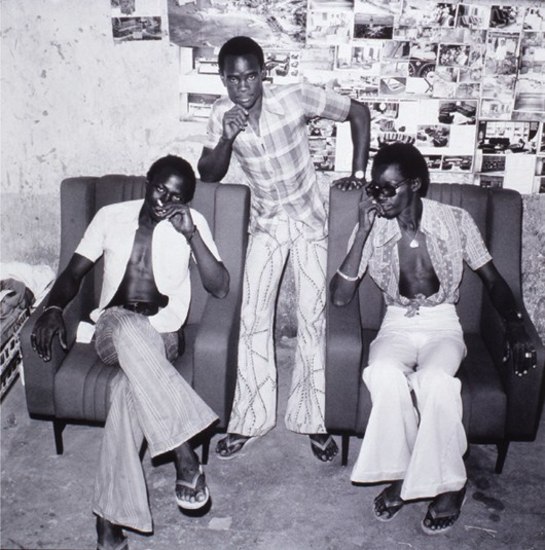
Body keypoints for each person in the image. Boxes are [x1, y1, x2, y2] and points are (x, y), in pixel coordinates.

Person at [330, 142, 536, 535]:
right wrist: (362, 233)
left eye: (388, 189)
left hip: (443, 323)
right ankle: (402, 473)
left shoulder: (454, 220)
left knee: (436, 382)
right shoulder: (372, 225)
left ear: (415, 185)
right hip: (397, 322)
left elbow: (493, 280)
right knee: (383, 372)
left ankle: (448, 484)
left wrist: (515, 325)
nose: (379, 197)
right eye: (375, 188)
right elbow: (340, 297)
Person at [30, 155, 229, 550]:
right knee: (123, 322)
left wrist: (192, 236)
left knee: (126, 392)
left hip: (163, 338)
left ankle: (109, 523)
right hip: (111, 330)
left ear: (186, 200)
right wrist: (53, 308)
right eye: (159, 189)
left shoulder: (191, 224)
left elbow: (220, 286)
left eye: (175, 196)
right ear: (146, 181)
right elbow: (73, 273)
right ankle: (184, 451)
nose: (164, 200)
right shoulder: (110, 216)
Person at [198, 36, 370, 462]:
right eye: (233, 79)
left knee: (313, 319)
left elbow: (358, 112)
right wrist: (226, 140)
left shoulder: (294, 97)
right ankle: (250, 420)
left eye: (250, 76)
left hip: (310, 220)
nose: (242, 87)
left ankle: (312, 421)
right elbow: (208, 173)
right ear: (223, 79)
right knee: (253, 314)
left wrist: (359, 172)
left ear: (263, 73)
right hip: (268, 223)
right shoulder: (222, 113)